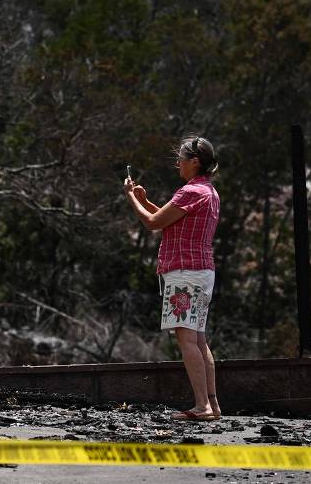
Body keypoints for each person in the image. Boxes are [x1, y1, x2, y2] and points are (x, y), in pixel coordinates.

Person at [123, 136, 221, 421]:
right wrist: (145, 200)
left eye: (180, 158)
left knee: (187, 339)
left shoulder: (190, 192)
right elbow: (168, 219)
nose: (177, 162)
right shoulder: (208, 192)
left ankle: (202, 406)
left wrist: (130, 197)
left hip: (185, 274)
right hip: (202, 271)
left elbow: (153, 223)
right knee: (199, 340)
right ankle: (212, 405)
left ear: (194, 162)